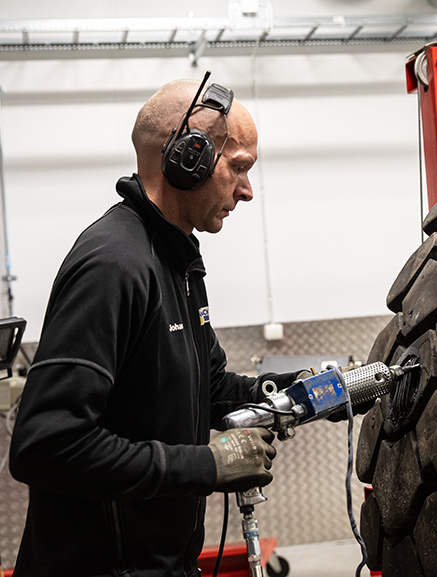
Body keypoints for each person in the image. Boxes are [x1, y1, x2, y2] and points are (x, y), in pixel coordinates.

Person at [9, 75, 301, 576]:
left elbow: (206, 388)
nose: (248, 191)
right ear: (190, 157)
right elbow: (46, 444)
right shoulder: (114, 264)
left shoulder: (177, 261)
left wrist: (298, 393)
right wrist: (206, 465)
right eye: (239, 167)